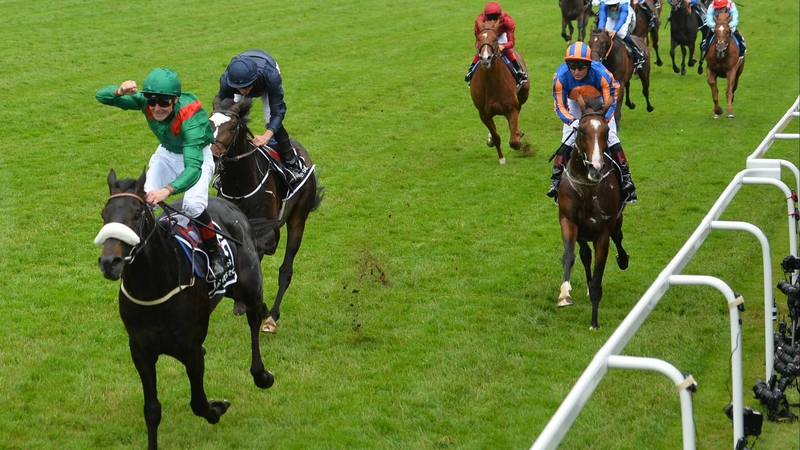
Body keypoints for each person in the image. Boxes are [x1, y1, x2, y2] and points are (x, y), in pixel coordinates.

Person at [96, 68, 227, 279]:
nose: (157, 108)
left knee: (192, 206)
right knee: (143, 201)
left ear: (175, 100)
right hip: (166, 154)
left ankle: (215, 254)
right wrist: (119, 91)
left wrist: (167, 190)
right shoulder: (147, 102)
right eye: (152, 101)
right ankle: (140, 253)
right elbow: (101, 96)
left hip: (196, 157)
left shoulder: (190, 119)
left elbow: (192, 169)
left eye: (164, 103)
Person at [548, 42, 638, 204]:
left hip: (600, 101)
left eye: (581, 66)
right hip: (574, 101)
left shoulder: (602, 74)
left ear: (589, 65)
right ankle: (555, 181)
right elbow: (560, 106)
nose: (576, 71)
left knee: (610, 136)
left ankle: (626, 179)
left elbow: (612, 98)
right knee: (568, 138)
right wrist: (572, 121)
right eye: (572, 66)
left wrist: (604, 118)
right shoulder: (560, 77)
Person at [213, 49, 308, 189]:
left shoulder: (271, 76)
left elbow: (278, 111)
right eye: (239, 88)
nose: (243, 92)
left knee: (270, 119)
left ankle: (292, 164)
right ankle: (226, 169)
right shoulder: (228, 81)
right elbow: (221, 104)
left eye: (246, 87)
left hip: (265, 78)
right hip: (244, 71)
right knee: (232, 124)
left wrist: (266, 136)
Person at [464, 2, 528, 85]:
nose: (493, 21)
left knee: (506, 51)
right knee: (483, 52)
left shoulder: (508, 21)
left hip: (501, 35)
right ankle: (471, 70)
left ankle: (518, 70)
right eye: (490, 18)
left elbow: (511, 42)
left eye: (495, 18)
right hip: (487, 35)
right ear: (485, 16)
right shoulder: (479, 21)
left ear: (500, 16)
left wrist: (503, 46)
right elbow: (477, 40)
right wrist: (481, 48)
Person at [597, 0, 647, 70]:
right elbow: (602, 18)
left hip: (624, 16)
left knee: (621, 33)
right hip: (611, 17)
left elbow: (622, 18)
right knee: (604, 35)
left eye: (614, 5)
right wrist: (601, 30)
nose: (612, 8)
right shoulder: (604, 4)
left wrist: (615, 30)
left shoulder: (624, 3)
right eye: (610, 6)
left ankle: (638, 52)